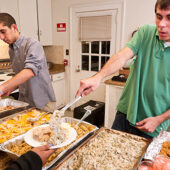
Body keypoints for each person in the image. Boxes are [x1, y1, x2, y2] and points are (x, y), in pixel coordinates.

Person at [76, 0, 170, 139]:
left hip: (152, 123)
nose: (161, 24)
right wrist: (97, 77)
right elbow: (121, 56)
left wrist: (159, 119)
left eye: (169, 18)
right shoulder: (146, 32)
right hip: (125, 113)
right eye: (158, 16)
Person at [0, 13, 56, 110]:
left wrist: (3, 87)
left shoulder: (32, 44)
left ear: (14, 27)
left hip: (42, 102)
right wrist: (10, 88)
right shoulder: (11, 49)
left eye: (3, 31)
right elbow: (21, 77)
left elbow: (30, 71)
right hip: (24, 102)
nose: (1, 37)